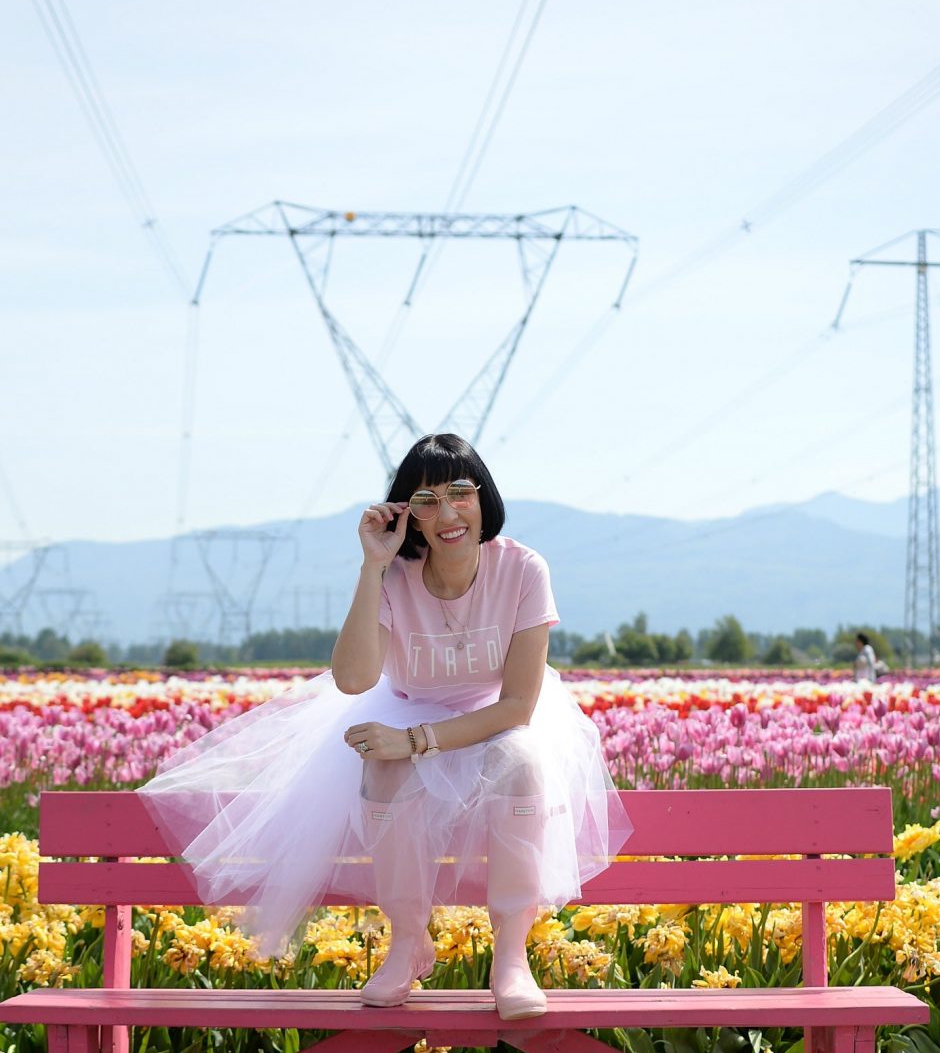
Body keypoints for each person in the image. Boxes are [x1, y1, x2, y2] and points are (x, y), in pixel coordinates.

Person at [138, 433, 628, 1020]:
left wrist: (416, 742)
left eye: (460, 494)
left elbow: (518, 706)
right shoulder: (396, 576)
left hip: (495, 716)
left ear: (483, 497)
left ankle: (511, 957)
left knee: (521, 760)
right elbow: (352, 680)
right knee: (383, 766)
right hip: (406, 704)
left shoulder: (521, 568)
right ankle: (407, 942)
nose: (447, 514)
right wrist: (373, 566)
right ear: (408, 515)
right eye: (426, 501)